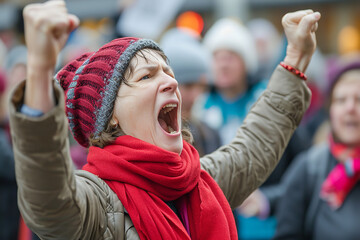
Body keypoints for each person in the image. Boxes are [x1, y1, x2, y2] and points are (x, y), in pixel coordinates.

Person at [9, 1, 320, 239]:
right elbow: (48, 201)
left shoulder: (197, 177)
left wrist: (295, 59)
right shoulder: (95, 200)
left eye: (168, 72)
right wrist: (38, 71)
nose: (171, 82)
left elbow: (253, 148)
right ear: (111, 116)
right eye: (147, 76)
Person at [274, 58, 360, 240]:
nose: (350, 108)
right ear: (330, 110)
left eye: (359, 99)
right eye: (341, 100)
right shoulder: (308, 169)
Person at [160, 28, 221, 156]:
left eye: (202, 87)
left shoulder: (210, 134)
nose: (196, 96)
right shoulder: (153, 137)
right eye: (188, 85)